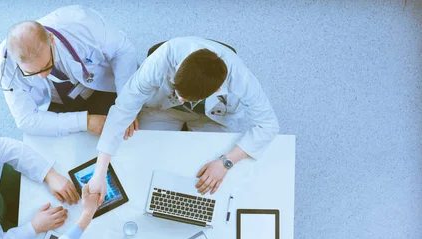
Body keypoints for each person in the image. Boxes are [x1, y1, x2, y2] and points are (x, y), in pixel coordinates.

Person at [88, 36, 280, 199]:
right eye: (179, 93)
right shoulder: (161, 60)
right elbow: (122, 109)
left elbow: (268, 125)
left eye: (186, 98)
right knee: (141, 161)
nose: (181, 100)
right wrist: (100, 171)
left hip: (211, 117)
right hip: (163, 109)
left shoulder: (240, 77)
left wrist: (226, 162)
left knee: (210, 180)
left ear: (217, 90)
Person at [0, 5, 139, 138]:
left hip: (101, 87)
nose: (43, 76)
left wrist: (126, 104)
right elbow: (26, 120)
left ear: (52, 40)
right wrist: (84, 122)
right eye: (31, 72)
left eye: (46, 66)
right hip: (56, 106)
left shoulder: (82, 23)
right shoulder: (5, 64)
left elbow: (123, 51)